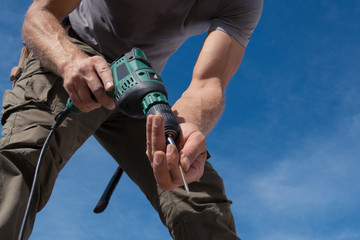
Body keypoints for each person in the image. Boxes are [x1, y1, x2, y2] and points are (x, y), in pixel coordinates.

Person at [0, 0, 263, 239]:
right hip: (73, 50)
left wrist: (186, 126)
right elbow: (41, 13)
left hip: (137, 85)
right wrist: (69, 61)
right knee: (25, 158)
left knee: (195, 192)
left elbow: (208, 83)